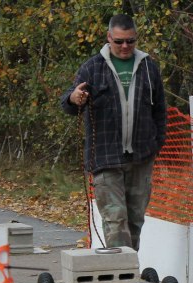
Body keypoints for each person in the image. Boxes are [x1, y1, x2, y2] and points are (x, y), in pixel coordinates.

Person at [61, 14, 167, 251]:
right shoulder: (92, 68)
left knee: (134, 220)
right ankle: (122, 276)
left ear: (136, 38)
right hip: (105, 156)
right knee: (116, 218)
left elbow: (160, 109)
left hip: (141, 156)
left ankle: (127, 267)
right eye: (119, 41)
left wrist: (156, 143)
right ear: (109, 38)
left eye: (130, 40)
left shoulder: (149, 67)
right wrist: (73, 98)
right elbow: (67, 102)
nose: (125, 46)